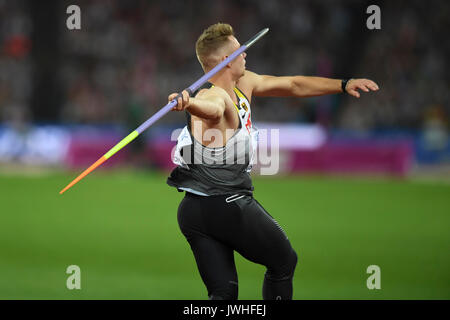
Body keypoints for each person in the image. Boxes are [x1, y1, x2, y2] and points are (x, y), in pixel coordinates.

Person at [166, 23, 379, 300]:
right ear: (223, 61)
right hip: (226, 204)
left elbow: (292, 84)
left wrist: (342, 84)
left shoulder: (244, 83)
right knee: (283, 261)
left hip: (194, 211)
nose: (245, 54)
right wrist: (189, 103)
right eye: (239, 50)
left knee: (223, 295)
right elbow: (214, 111)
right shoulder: (210, 95)